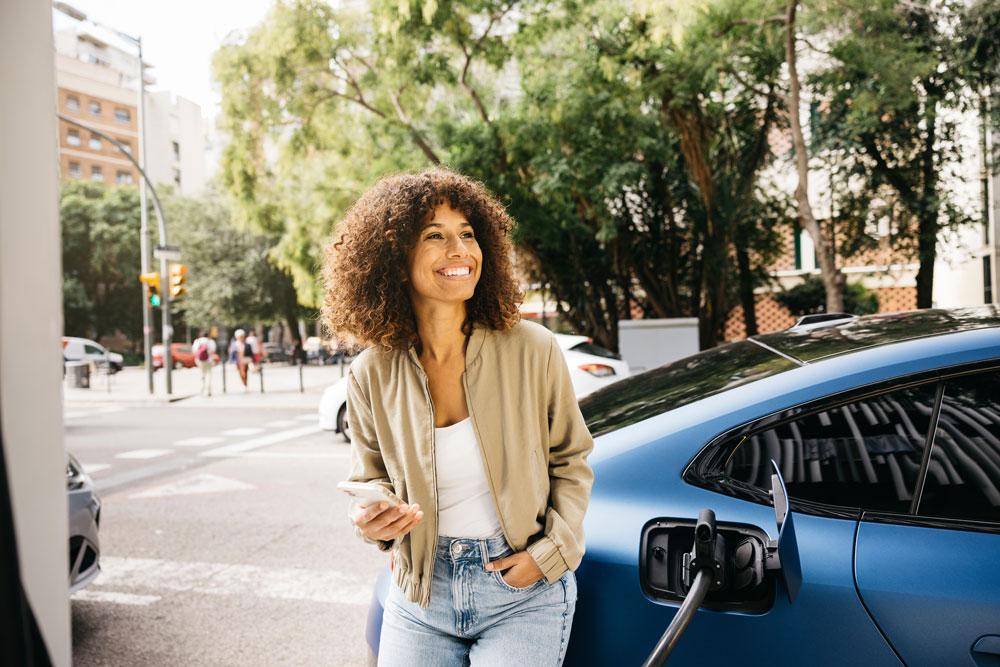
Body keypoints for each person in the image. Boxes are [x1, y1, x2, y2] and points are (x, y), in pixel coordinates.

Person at [323, 169, 594, 666]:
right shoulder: (370, 372)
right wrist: (374, 521)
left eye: (467, 234)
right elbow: (371, 481)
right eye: (435, 236)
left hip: (521, 591)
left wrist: (550, 554)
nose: (460, 250)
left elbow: (572, 460)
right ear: (394, 260)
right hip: (421, 592)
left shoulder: (532, 348)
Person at [191, 330, 217, 396]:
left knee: (202, 374)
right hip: (209, 360)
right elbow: (213, 350)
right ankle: (208, 390)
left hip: (199, 360)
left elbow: (194, 351)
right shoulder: (210, 341)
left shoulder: (197, 341)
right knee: (209, 374)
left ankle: (202, 389)